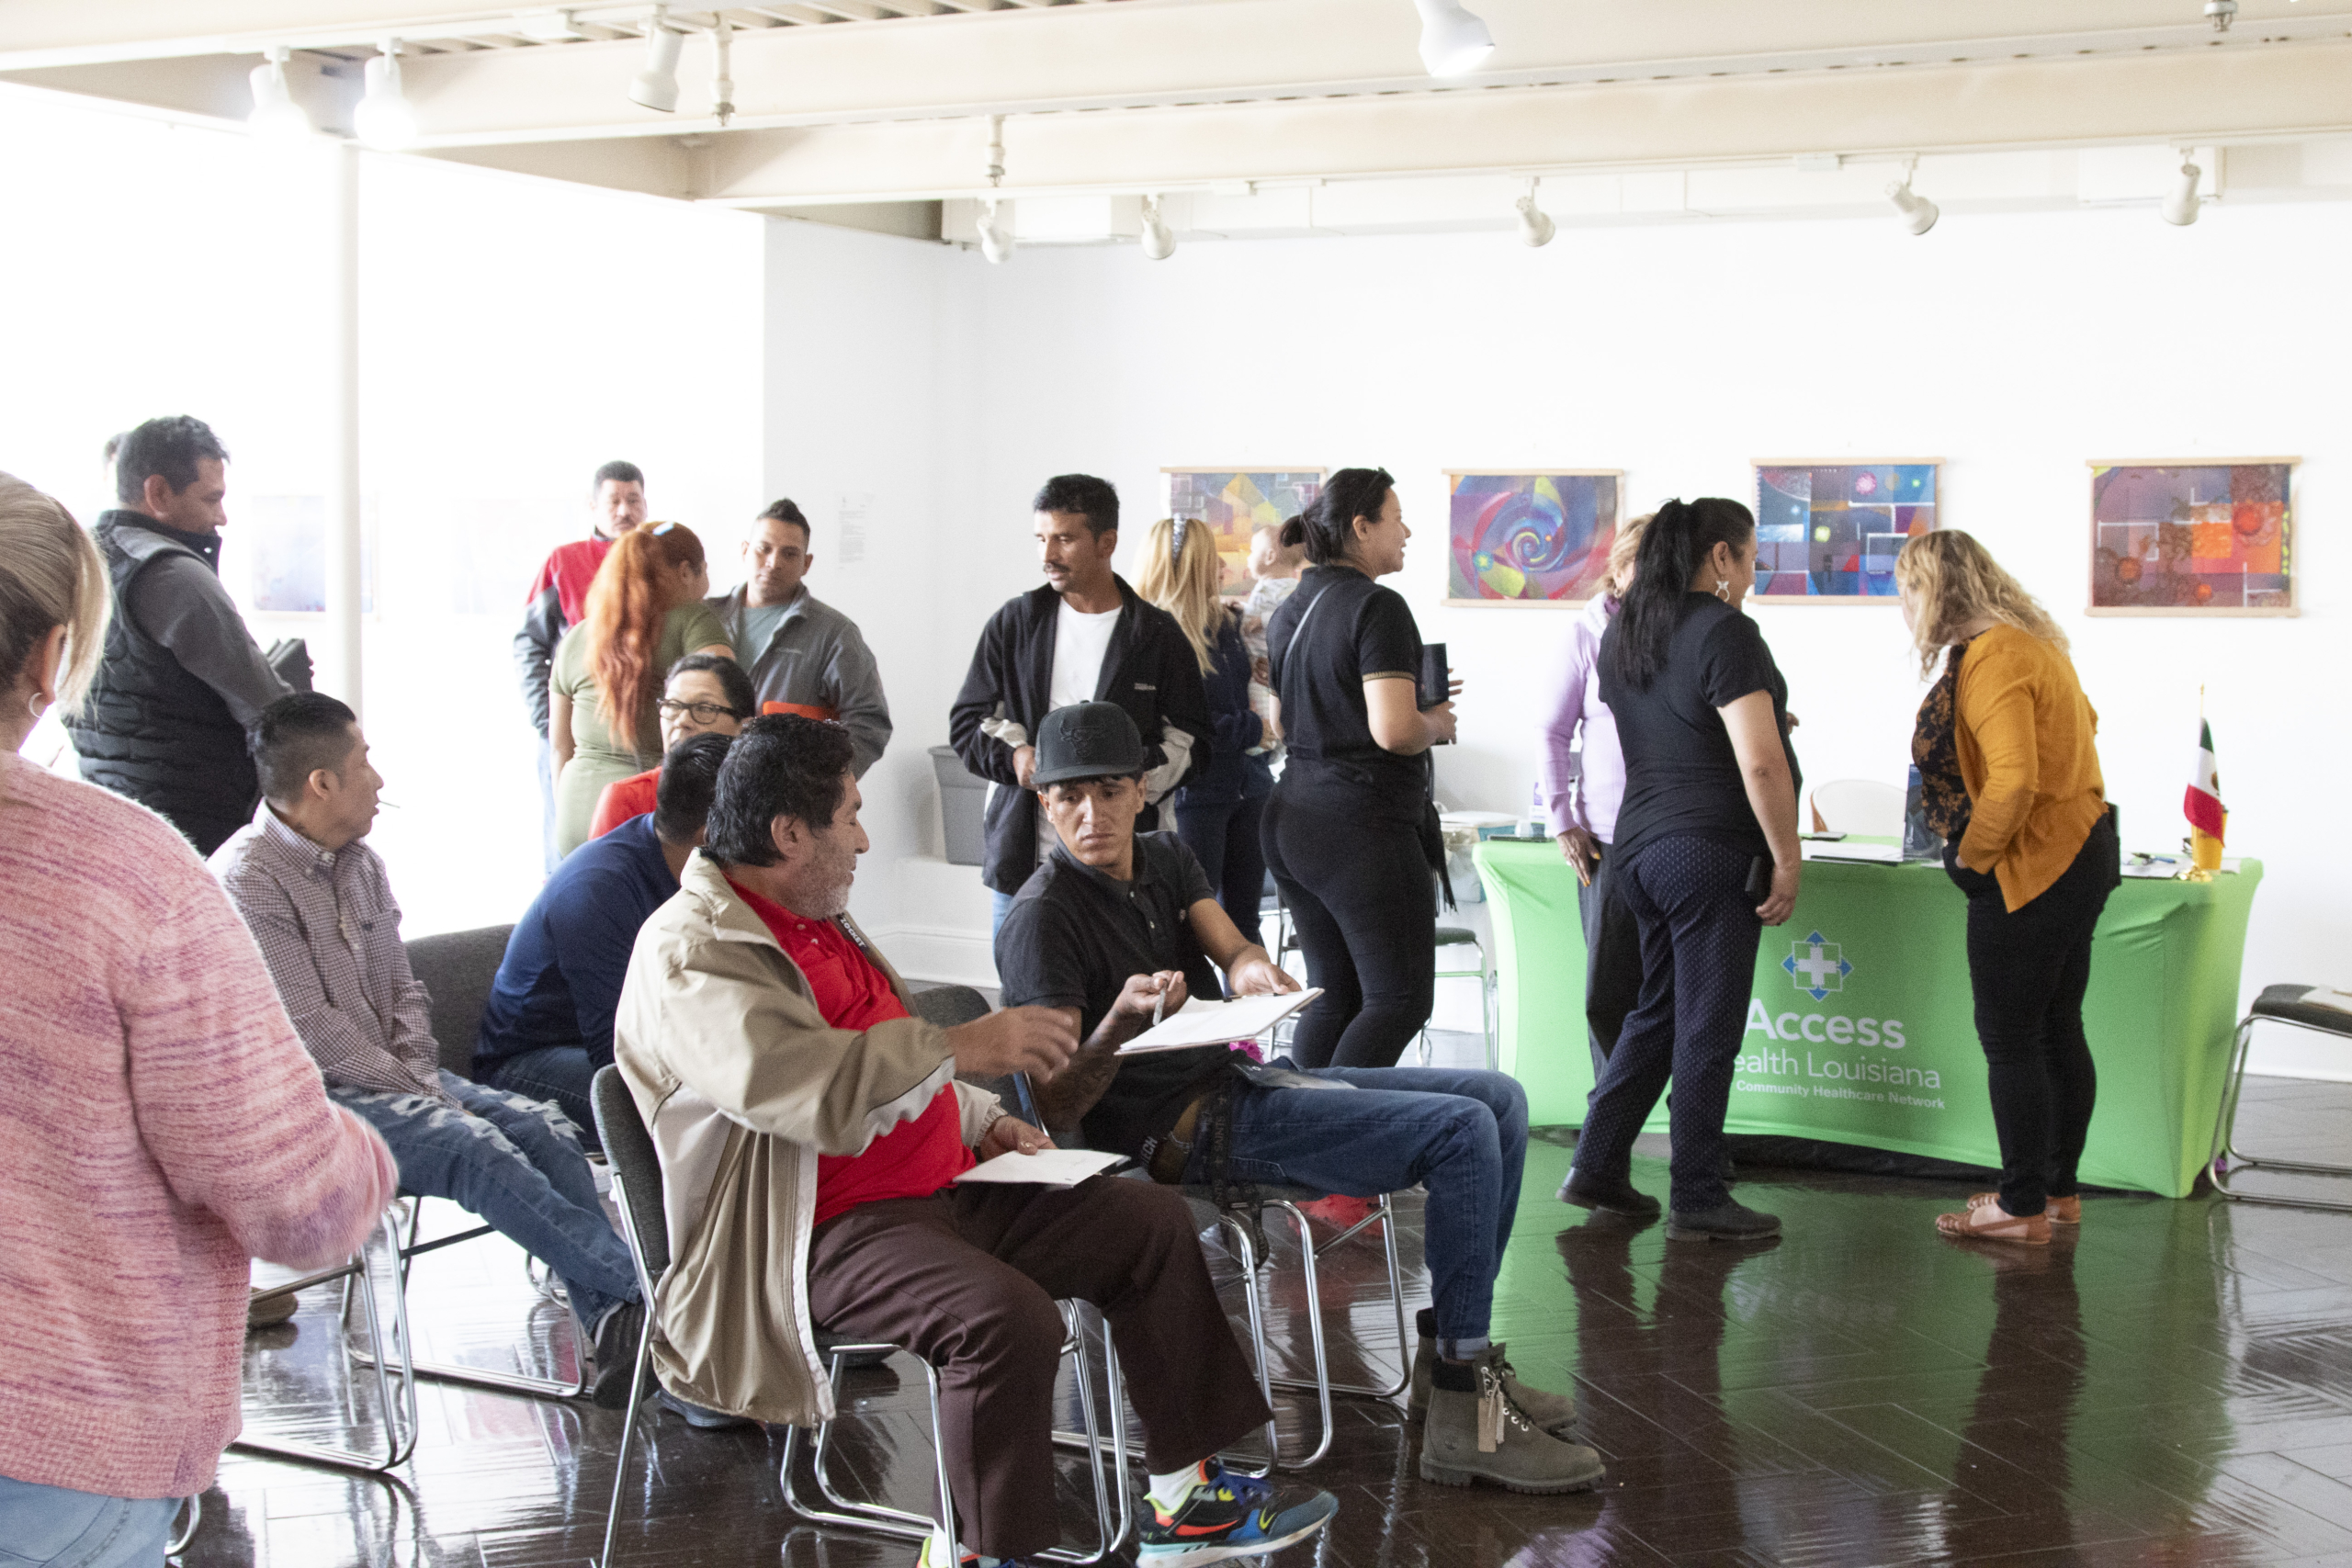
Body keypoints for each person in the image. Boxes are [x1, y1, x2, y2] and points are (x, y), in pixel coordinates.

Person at [613, 714, 1337, 1567]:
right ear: (788, 834)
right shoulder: (690, 949)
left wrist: (980, 1118)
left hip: (941, 1192)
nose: (865, 838)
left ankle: (1187, 1504)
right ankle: (978, 1554)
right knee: (1002, 1319)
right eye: (850, 815)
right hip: (811, 1232)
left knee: (1148, 1222)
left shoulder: (814, 913)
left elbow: (885, 1054)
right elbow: (801, 1086)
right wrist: (965, 1045)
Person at [997, 703, 1606, 1496]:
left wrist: (1252, 971)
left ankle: (1449, 1371)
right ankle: (1468, 1411)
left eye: (1109, 791)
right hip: (1180, 1135)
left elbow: (1233, 946)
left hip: (1240, 1085)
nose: (1091, 814)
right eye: (1069, 797)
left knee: (1498, 1099)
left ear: (1142, 790)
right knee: (1461, 1130)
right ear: (1044, 802)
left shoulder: (1164, 857)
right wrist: (1117, 1023)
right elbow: (1052, 1101)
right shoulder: (1043, 918)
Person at [0, 473, 395, 1559]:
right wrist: (366, 1159)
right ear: (50, 658)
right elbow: (288, 1190)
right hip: (51, 1451)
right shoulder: (121, 873)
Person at [211, 693, 649, 1407]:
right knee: (470, 1145)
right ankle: (650, 1300)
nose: (379, 778)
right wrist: (421, 1092)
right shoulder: (246, 880)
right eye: (364, 762)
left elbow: (405, 993)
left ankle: (616, 1328)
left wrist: (419, 1076)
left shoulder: (361, 863)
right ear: (321, 782)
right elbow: (312, 1033)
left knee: (542, 1126)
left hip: (393, 1081)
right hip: (302, 1108)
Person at [1560, 498, 1800, 1242]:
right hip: (1708, 849)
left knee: (1659, 1012)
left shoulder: (1627, 630)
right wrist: (1787, 855)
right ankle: (1698, 1193)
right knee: (1708, 1023)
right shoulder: (1726, 631)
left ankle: (1597, 1163)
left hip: (1638, 849)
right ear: (1720, 556)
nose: (1753, 573)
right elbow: (1760, 763)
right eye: (1750, 556)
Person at [1898, 531, 2118, 1246]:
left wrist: (1970, 859)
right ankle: (2055, 1192)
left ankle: (2021, 1207)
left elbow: (2015, 780)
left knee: (2011, 1036)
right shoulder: (2034, 644)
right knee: (2057, 1026)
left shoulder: (1994, 656)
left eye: (1907, 591)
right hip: (2082, 845)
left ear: (1933, 591)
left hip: (2035, 864)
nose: (1905, 608)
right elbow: (2083, 726)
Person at [949, 474, 1211, 934]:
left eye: (1064, 539)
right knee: (1025, 976)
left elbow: (1194, 742)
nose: (1047, 555)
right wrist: (1017, 758)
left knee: (1129, 975)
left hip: (1127, 865)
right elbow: (968, 723)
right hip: (1025, 862)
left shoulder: (1157, 635)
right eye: (1041, 539)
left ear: (1106, 542)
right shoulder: (1015, 623)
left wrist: (1126, 781)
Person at [1261, 468, 1457, 1071]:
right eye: (1397, 519)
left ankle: (1301, 1120)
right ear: (1361, 527)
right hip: (1359, 827)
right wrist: (1436, 721)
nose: (1407, 532)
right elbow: (1394, 731)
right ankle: (1342, 1122)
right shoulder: (1378, 606)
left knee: (1335, 997)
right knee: (1398, 1001)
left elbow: (1280, 723)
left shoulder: (1289, 610)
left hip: (1292, 820)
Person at [64, 415, 309, 856]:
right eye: (211, 499)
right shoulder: (174, 576)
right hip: (197, 830)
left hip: (110, 823)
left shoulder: (75, 564)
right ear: (158, 493)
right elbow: (268, 711)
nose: (222, 517)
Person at [477, 732, 732, 1137]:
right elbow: (616, 1055)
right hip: (531, 1061)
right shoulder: (598, 890)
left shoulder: (680, 861)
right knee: (705, 1112)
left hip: (624, 1041)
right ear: (710, 835)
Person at [1538, 513, 1653, 1080]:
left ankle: (1678, 1117)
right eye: (1644, 565)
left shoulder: (1690, 631)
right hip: (1606, 840)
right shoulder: (1586, 633)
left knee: (1674, 995)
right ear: (1621, 569)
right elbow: (1551, 732)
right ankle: (1611, 1117)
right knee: (1609, 996)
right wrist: (1562, 820)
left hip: (1673, 836)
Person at [549, 522, 730, 858]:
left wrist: (569, 816)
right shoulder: (693, 620)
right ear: (684, 573)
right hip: (646, 819)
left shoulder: (576, 636)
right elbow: (724, 705)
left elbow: (560, 748)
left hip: (574, 817)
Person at [1137, 517, 1276, 951]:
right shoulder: (1155, 634)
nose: (1223, 566)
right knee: (1192, 927)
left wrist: (1260, 669)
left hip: (1250, 788)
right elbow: (1184, 724)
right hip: (1197, 797)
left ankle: (1252, 997)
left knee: (1245, 923)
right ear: (1189, 566)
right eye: (1212, 557)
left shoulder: (1226, 624)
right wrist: (1253, 728)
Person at [518, 461, 648, 870]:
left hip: (638, 737)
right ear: (593, 506)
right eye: (614, 501)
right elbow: (528, 644)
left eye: (633, 500)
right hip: (570, 734)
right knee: (568, 846)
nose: (624, 510)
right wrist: (548, 720)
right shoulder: (563, 561)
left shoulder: (660, 565)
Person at [708, 498, 892, 777]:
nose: (774, 562)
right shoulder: (705, 618)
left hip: (784, 793)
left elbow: (869, 723)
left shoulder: (834, 634)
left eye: (789, 554)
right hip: (703, 786)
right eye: (764, 549)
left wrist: (821, 784)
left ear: (806, 563)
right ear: (745, 551)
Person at [585, 652, 754, 840]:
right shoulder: (626, 799)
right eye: (673, 706)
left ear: (745, 728)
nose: (682, 721)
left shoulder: (761, 801)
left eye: (705, 708)